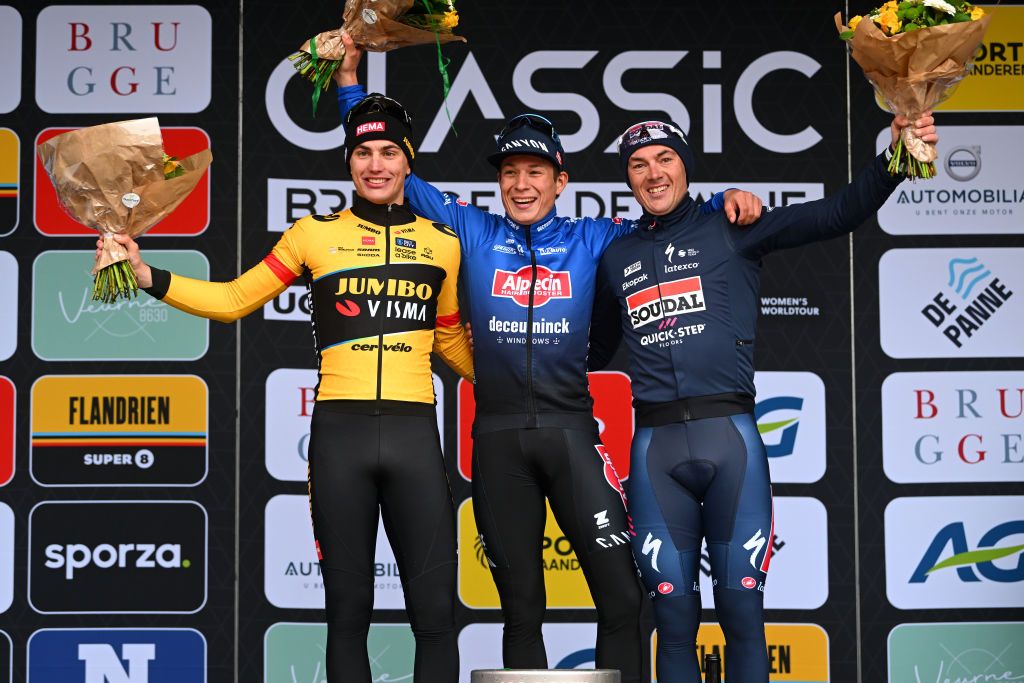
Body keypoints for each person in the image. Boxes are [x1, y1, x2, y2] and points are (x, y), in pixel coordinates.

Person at [333, 34, 763, 680]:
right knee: (521, 608)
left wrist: (733, 201)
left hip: (572, 432)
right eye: (510, 172)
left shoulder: (599, 238)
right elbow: (391, 169)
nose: (522, 183)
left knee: (623, 594)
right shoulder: (473, 228)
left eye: (536, 171)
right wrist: (349, 87)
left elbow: (675, 221)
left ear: (561, 180)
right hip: (498, 438)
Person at [103, 96, 474, 682]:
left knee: (434, 618)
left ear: (408, 163)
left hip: (415, 437)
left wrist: (530, 378)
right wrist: (146, 275)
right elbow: (230, 300)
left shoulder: (443, 243)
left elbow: (451, 343)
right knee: (348, 618)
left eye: (387, 153)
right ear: (349, 162)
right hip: (339, 441)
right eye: (362, 154)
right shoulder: (312, 235)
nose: (374, 165)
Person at [594, 114, 937, 683]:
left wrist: (900, 155)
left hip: (731, 443)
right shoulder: (616, 255)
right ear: (628, 180)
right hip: (653, 451)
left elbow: (837, 213)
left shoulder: (731, 224)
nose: (653, 174)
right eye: (638, 165)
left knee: (742, 615)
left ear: (685, 166)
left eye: (665, 159)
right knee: (673, 618)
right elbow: (592, 348)